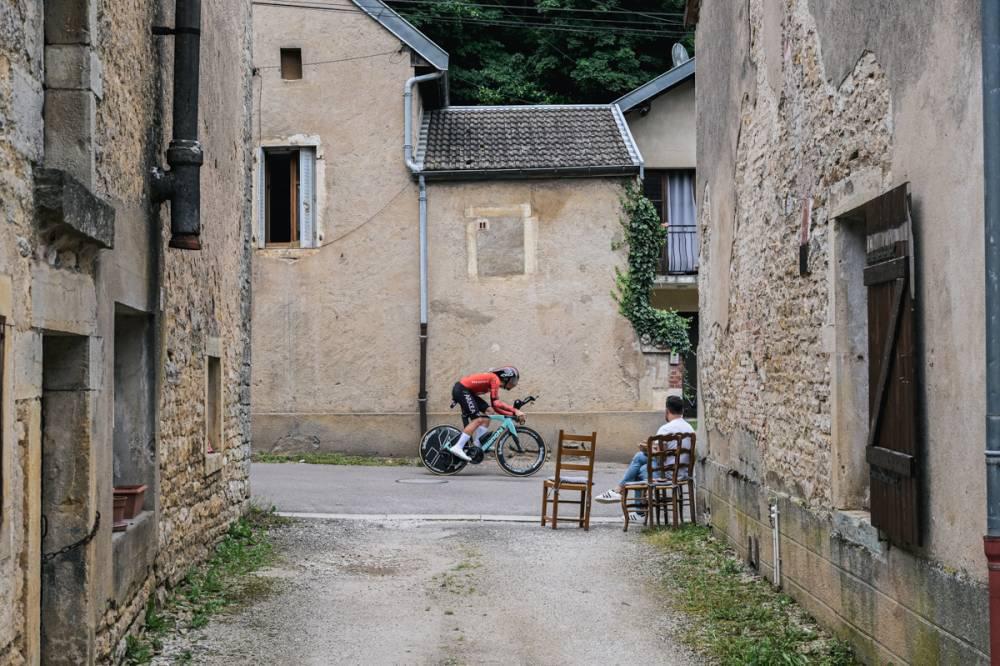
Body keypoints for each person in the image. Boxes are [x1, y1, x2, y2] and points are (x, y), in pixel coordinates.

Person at [594, 395, 694, 520]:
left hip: (667, 474)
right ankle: (626, 498)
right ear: (682, 410)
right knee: (641, 466)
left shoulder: (666, 429)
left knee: (640, 461)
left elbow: (658, 454)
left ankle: (621, 493)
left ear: (667, 410)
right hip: (683, 472)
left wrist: (645, 448)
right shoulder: (690, 429)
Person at [449, 366, 525, 462]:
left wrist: (511, 414)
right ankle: (458, 447)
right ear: (506, 377)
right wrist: (515, 411)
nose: (514, 384)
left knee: (489, 412)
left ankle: (478, 445)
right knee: (478, 420)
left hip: (467, 391)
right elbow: (496, 403)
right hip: (462, 389)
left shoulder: (494, 379)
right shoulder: (495, 379)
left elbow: (495, 407)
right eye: (513, 381)